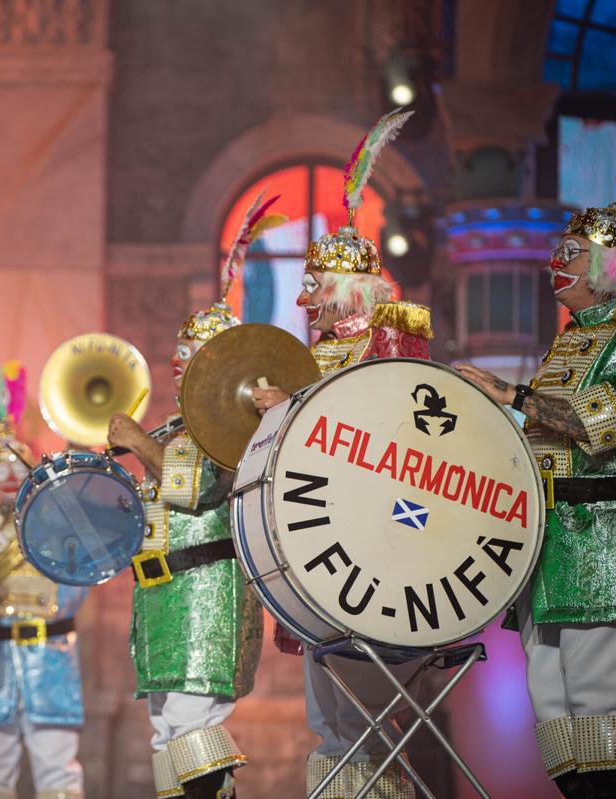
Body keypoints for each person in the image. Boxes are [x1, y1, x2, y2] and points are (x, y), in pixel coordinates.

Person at [458, 121, 616, 799]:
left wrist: (511, 395)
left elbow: (597, 427)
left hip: (607, 543)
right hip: (551, 552)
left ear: (607, 264)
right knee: (560, 733)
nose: (556, 262)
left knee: (605, 726)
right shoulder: (569, 343)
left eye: (571, 252)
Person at [252, 109, 429, 799]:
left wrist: (291, 410)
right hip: (315, 553)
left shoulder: (390, 347)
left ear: (349, 290)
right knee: (329, 723)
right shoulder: (311, 358)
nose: (303, 300)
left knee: (370, 719)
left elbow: (381, 438)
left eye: (317, 287)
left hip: (379, 548)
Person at [105, 194, 290, 799]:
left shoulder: (233, 430)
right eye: (179, 358)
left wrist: (133, 440)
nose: (179, 368)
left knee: (190, 731)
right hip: (163, 600)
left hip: (204, 597)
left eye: (192, 359)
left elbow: (190, 493)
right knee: (169, 738)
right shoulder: (175, 430)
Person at [0, 360, 87, 799]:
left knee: (59, 780)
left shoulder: (57, 523)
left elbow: (86, 574)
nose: (10, 475)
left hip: (51, 662)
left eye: (17, 466)